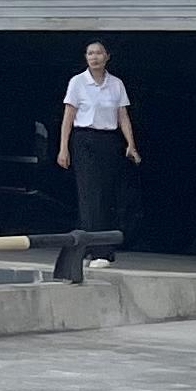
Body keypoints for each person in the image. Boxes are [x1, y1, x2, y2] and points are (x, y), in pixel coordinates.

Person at [56, 39, 141, 246]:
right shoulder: (78, 82)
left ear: (107, 57)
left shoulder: (116, 84)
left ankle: (104, 245)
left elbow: (122, 116)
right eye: (90, 53)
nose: (94, 57)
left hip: (108, 140)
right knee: (90, 193)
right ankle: (90, 246)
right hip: (85, 140)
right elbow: (68, 116)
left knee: (107, 192)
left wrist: (131, 144)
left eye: (98, 53)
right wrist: (63, 148)